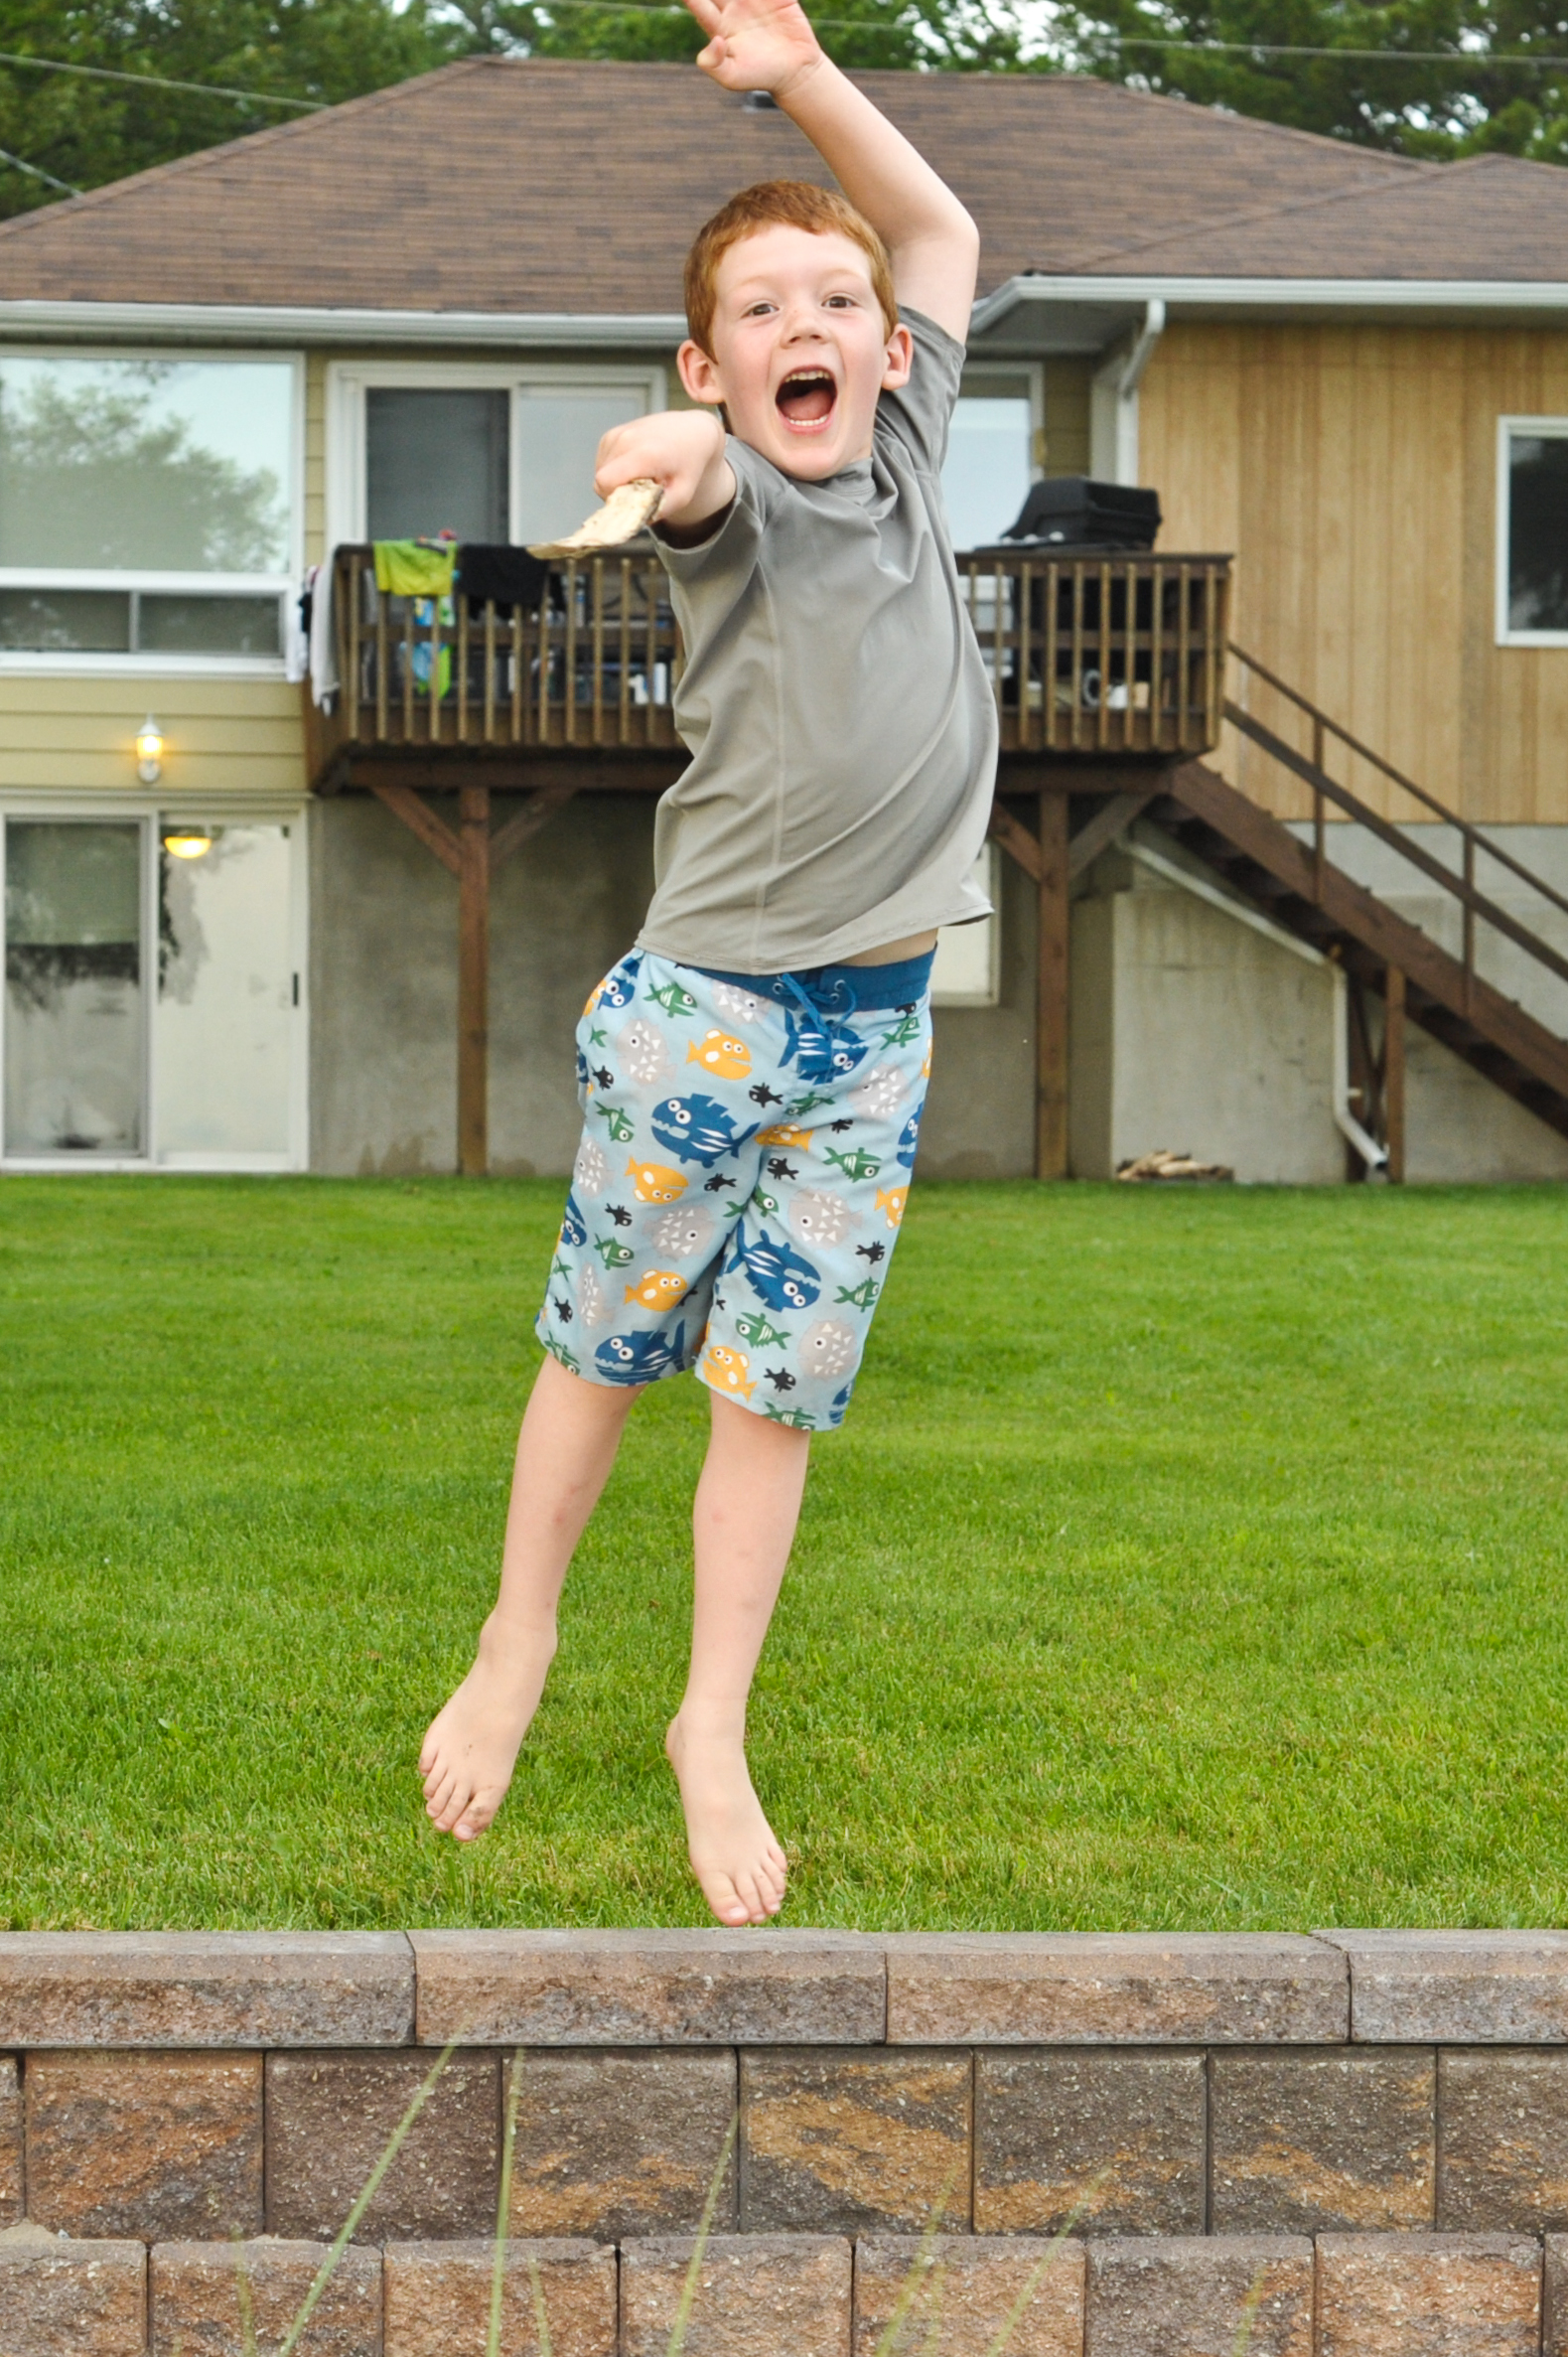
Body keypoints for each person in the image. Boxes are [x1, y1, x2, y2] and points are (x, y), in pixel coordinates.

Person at [418, 0, 997, 1927]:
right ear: (711, 365)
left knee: (775, 1394)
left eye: (833, 301)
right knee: (604, 1351)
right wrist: (665, 453)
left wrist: (805, 80)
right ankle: (515, 1637)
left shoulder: (906, 450)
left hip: (873, 1042)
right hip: (708, 1021)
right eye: (758, 313)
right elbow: (689, 474)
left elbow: (941, 231)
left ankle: (710, 1720)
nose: (802, 325)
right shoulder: (741, 504)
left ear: (889, 351)